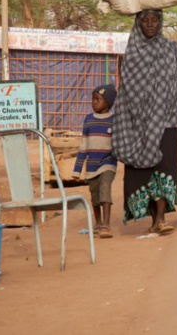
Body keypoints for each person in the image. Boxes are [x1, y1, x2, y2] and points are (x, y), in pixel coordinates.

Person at [112, 9, 177, 235]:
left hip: (167, 121)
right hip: (137, 123)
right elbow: (125, 92)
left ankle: (160, 218)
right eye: (145, 20)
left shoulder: (173, 50)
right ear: (138, 23)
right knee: (142, 172)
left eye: (155, 20)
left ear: (161, 23)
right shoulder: (132, 52)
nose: (150, 24)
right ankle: (152, 217)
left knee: (164, 169)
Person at [73, 85, 118, 239]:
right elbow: (84, 145)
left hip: (108, 163)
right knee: (94, 194)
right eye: (93, 99)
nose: (94, 102)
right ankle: (98, 222)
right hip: (92, 164)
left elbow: (118, 143)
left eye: (98, 99)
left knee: (105, 187)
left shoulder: (114, 121)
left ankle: (106, 224)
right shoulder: (88, 120)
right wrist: (77, 169)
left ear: (108, 102)